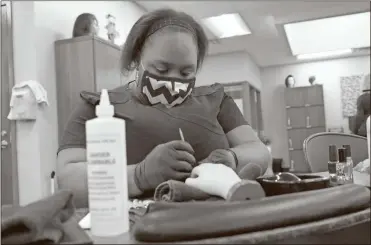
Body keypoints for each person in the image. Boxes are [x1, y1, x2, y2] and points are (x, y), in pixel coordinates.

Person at [57, 8, 271, 208]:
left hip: (217, 219)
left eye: (186, 73)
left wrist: (232, 158)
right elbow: (67, 179)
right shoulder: (97, 106)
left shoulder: (216, 100)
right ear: (136, 59)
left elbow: (258, 151)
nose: (173, 81)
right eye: (161, 68)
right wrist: (138, 175)